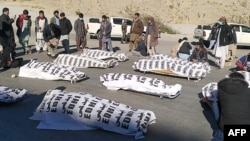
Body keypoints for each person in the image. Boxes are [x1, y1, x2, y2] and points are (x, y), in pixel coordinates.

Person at [202, 72, 250, 140]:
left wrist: (207, 101)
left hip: (224, 129)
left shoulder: (221, 89)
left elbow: (215, 102)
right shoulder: (248, 91)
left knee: (216, 104)